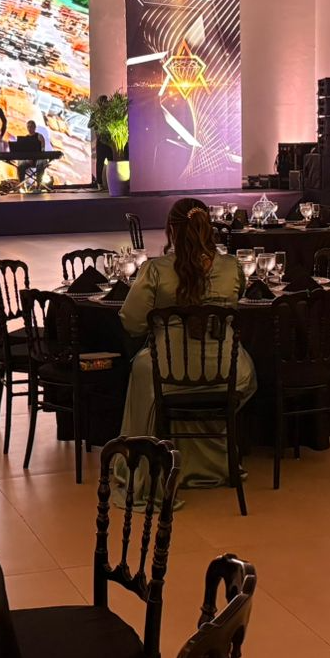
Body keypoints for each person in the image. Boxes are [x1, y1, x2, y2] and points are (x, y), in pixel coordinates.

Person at [117, 198, 255, 490]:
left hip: (170, 370)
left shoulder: (155, 270)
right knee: (245, 375)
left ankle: (154, 463)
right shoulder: (232, 267)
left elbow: (132, 322)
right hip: (225, 369)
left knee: (144, 371)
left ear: (171, 229)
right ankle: (213, 461)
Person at [92, 95, 114, 189]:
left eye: (106, 102)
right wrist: (96, 120)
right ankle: (99, 184)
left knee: (111, 162)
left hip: (109, 142)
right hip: (101, 141)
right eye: (103, 102)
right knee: (100, 163)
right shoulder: (96, 114)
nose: (105, 104)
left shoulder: (110, 113)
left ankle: (112, 184)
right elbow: (90, 124)